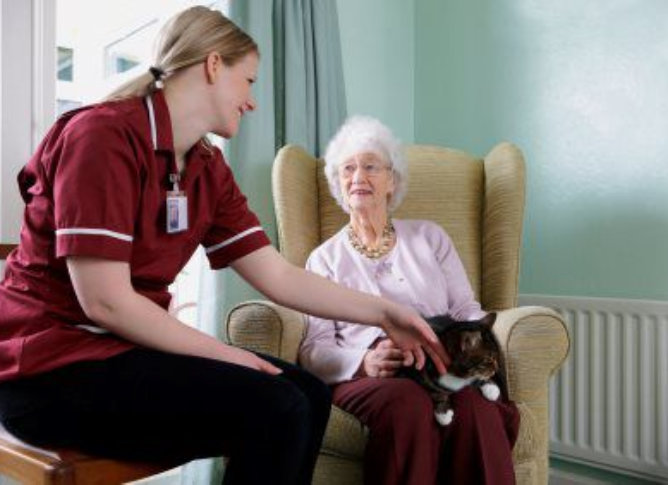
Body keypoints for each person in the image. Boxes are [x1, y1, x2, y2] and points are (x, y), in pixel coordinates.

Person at [0, 8, 447, 485]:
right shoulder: (101, 137)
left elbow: (278, 275)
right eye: (248, 81)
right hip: (47, 372)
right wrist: (226, 355)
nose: (251, 102)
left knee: (308, 392)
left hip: (117, 354)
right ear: (213, 66)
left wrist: (385, 313)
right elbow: (105, 301)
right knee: (277, 406)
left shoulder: (206, 167)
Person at [298, 115, 521, 485]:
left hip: (441, 361)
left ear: (392, 180)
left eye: (370, 166)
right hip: (373, 376)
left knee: (475, 404)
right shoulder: (323, 259)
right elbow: (315, 348)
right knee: (408, 405)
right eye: (348, 169)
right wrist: (365, 361)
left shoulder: (429, 238)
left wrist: (480, 342)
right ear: (338, 183)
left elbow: (466, 310)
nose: (358, 177)